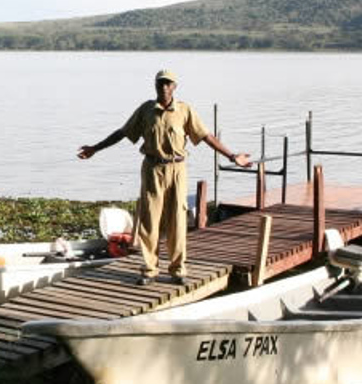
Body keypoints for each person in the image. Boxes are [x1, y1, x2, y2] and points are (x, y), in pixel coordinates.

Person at [78, 70, 251, 286]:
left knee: (177, 220)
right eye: (160, 83)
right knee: (149, 220)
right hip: (152, 169)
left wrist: (233, 156)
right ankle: (149, 270)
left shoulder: (184, 110)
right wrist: (96, 148)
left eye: (168, 84)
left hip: (177, 169)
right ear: (155, 86)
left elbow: (207, 136)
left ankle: (178, 270)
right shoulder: (146, 110)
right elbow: (123, 132)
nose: (163, 87)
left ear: (174, 87)